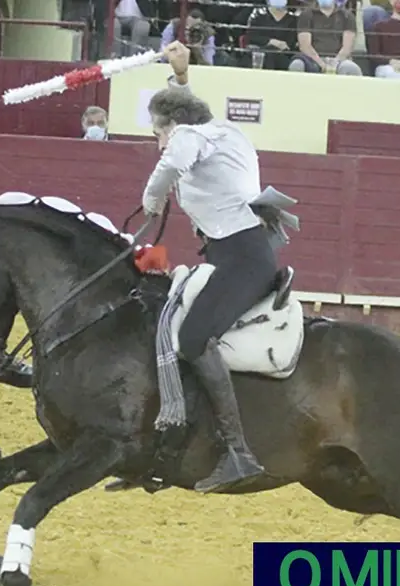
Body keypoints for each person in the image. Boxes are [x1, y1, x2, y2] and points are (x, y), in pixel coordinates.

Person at [140, 40, 278, 494]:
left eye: (157, 133)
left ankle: (239, 452)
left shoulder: (187, 137)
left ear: (171, 127)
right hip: (240, 254)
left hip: (240, 259)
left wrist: (151, 197)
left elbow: (174, 156)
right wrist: (180, 77)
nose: (158, 142)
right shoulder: (219, 131)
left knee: (193, 337)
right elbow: (188, 117)